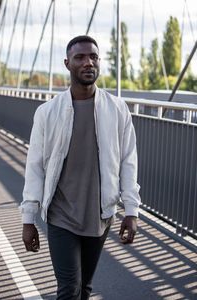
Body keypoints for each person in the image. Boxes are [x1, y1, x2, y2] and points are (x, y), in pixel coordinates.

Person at [21, 35, 141, 300]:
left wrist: (131, 211)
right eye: (80, 57)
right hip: (61, 215)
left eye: (93, 57)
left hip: (100, 216)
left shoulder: (118, 110)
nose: (88, 62)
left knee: (85, 287)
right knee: (68, 288)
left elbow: (128, 161)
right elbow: (35, 167)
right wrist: (28, 218)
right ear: (67, 64)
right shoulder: (47, 113)